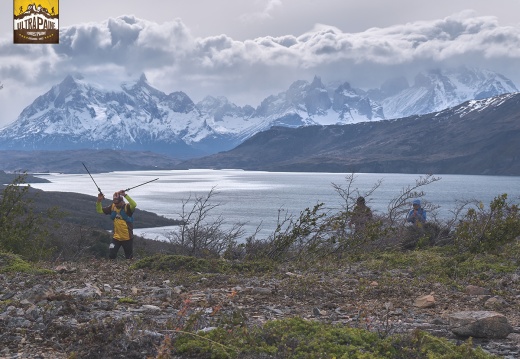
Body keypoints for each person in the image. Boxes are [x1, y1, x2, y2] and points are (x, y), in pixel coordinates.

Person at [96, 190, 137, 259]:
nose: (116, 205)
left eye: (117, 203)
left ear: (122, 202)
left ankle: (129, 269)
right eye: (114, 203)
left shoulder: (127, 207)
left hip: (127, 238)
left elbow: (134, 204)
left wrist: (125, 195)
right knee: (111, 254)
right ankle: (110, 267)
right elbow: (99, 210)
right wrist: (99, 201)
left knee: (129, 257)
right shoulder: (113, 207)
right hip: (116, 238)